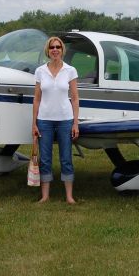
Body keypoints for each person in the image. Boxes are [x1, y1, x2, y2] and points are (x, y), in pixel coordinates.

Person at [32, 36, 79, 204]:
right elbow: (36, 99)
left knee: (66, 158)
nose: (55, 50)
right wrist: (34, 124)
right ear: (48, 50)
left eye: (58, 47)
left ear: (62, 49)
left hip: (65, 120)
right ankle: (45, 196)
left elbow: (74, 98)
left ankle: (69, 196)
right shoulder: (40, 71)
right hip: (44, 120)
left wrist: (75, 123)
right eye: (52, 47)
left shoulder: (70, 70)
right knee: (45, 159)